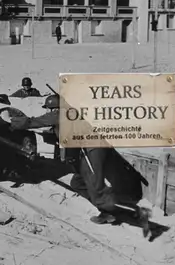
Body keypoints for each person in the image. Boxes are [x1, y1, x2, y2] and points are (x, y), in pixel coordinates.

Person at [9, 94, 150, 230]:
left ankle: (111, 212)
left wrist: (11, 122)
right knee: (77, 182)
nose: (47, 111)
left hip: (93, 148)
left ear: (53, 108)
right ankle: (108, 207)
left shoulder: (58, 114)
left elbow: (32, 122)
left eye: (48, 108)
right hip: (97, 148)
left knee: (94, 184)